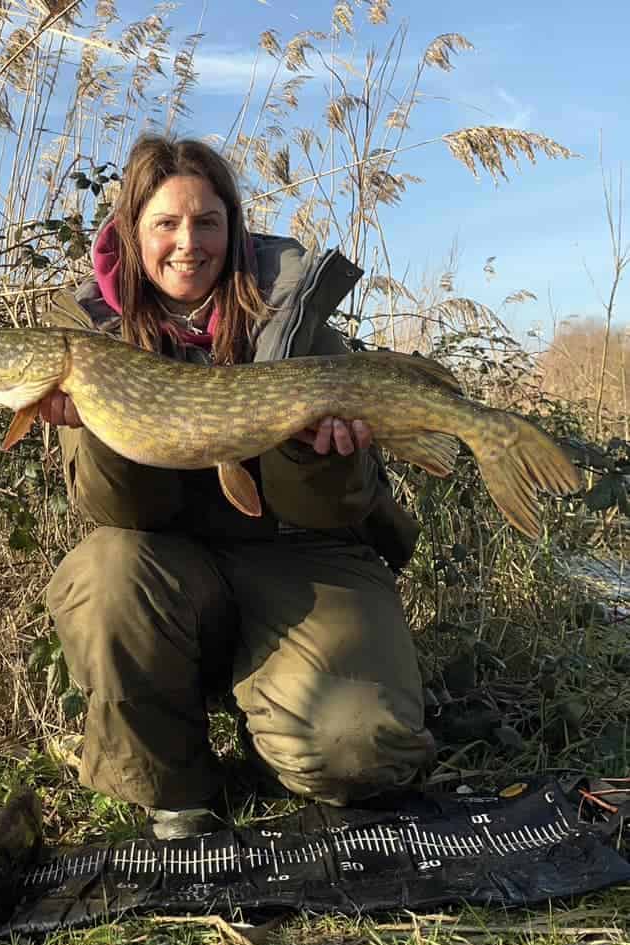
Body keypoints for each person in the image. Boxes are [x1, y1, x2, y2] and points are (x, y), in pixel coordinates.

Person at [41, 134, 435, 840]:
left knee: (360, 752)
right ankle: (176, 787)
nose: (187, 243)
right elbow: (119, 511)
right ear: (133, 232)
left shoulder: (294, 320)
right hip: (169, 565)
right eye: (165, 223)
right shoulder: (90, 343)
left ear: (233, 227)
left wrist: (326, 456)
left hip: (305, 556)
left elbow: (339, 508)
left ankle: (277, 732)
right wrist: (98, 429)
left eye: (206, 222)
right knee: (104, 573)